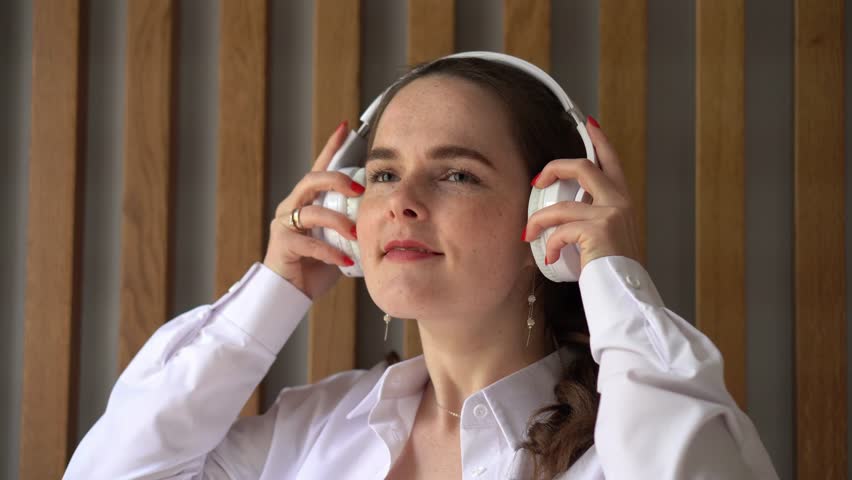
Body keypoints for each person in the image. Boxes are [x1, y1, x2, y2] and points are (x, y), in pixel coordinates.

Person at [64, 55, 779, 479]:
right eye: (380, 177)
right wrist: (272, 292)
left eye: (457, 175)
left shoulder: (624, 439)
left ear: (553, 212)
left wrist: (609, 271)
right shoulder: (308, 432)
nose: (401, 202)